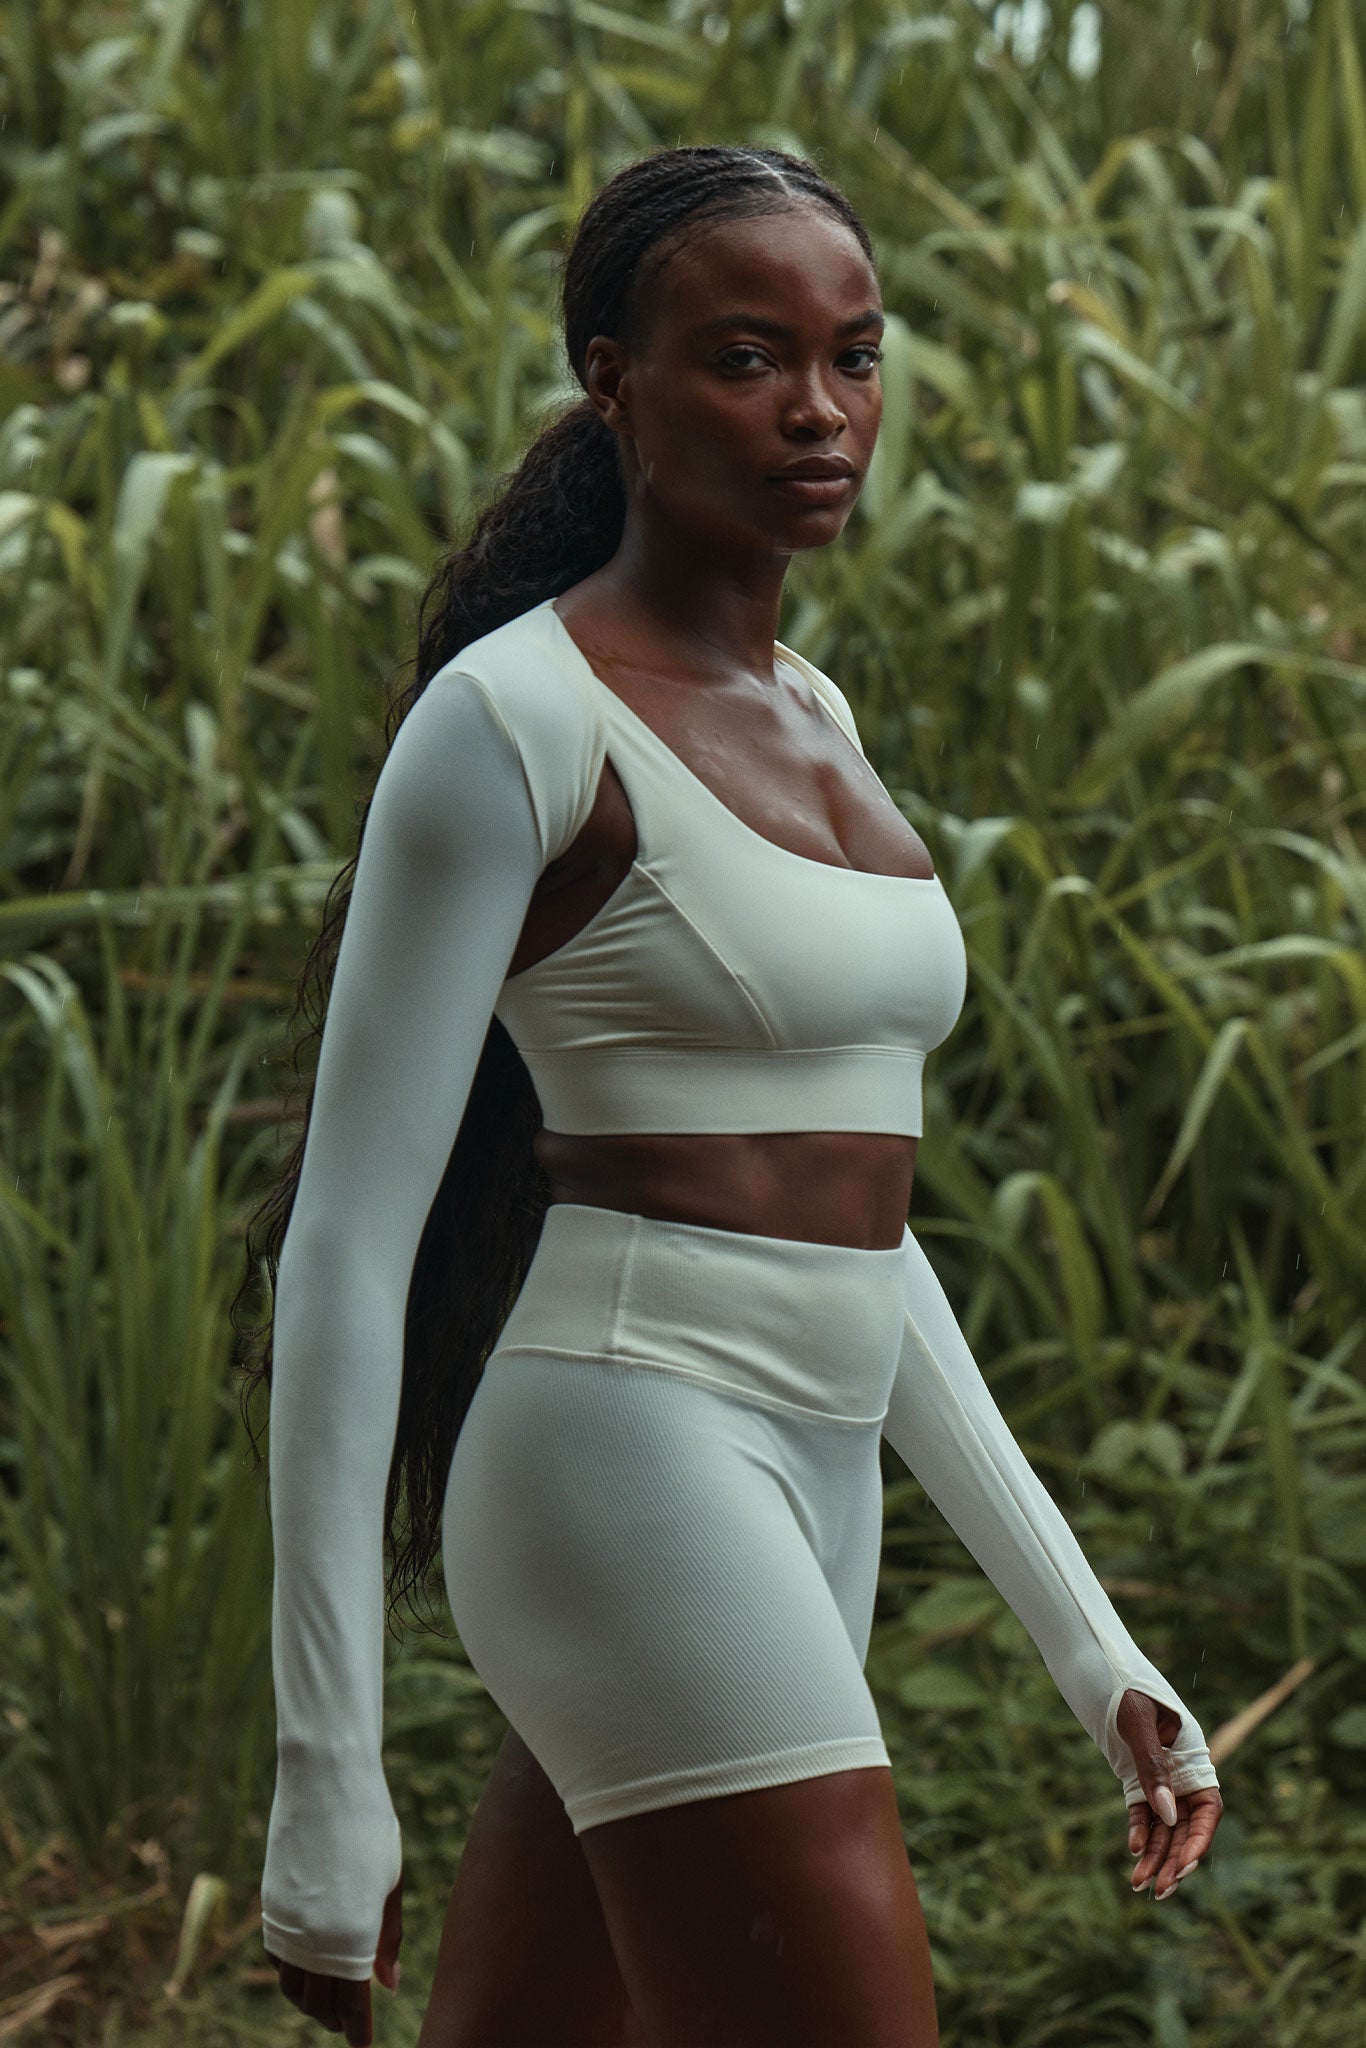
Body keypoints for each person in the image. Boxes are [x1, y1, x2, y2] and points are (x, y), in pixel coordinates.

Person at [241, 143, 1224, 2048]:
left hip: (807, 1470)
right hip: (625, 1447)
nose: (817, 411)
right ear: (612, 379)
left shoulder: (819, 714)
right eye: (746, 358)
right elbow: (348, 1248)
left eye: (854, 357)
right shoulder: (516, 720)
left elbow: (856, 1223)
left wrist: (1084, 1634)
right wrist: (324, 1767)